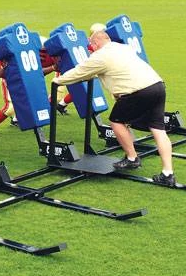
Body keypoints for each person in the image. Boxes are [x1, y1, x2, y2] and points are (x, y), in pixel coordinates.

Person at [52, 29, 176, 186]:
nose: (91, 48)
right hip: (157, 85)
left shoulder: (100, 56)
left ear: (96, 43)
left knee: (116, 121)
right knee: (158, 129)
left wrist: (58, 81)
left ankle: (132, 158)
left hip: (138, 91)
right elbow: (114, 69)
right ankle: (168, 173)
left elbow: (80, 72)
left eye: (91, 45)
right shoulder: (122, 47)